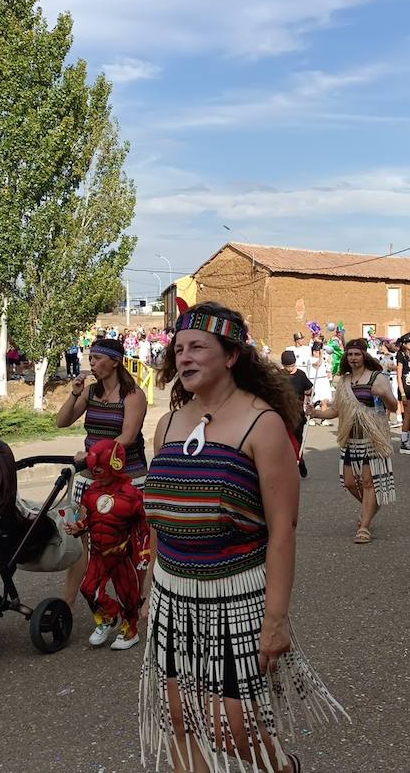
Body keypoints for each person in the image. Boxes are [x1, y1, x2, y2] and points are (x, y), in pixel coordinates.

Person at [140, 302, 345, 772]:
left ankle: (281, 768)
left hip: (235, 598)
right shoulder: (169, 424)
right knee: (179, 714)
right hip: (175, 594)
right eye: (179, 348)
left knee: (228, 725)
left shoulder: (263, 424)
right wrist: (154, 586)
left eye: (198, 347)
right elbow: (160, 518)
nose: (184, 357)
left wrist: (275, 619)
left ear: (231, 356)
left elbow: (283, 530)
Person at [54, 337, 149, 606]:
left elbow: (128, 436)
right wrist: (74, 393)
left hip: (127, 476)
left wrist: (94, 455)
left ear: (115, 362)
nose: (91, 363)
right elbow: (61, 422)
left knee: (127, 541)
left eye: (97, 358)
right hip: (90, 477)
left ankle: (132, 601)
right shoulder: (90, 392)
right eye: (90, 358)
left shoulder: (133, 395)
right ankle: (66, 605)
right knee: (79, 537)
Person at [307, 338, 398, 545]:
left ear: (364, 355)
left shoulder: (378, 378)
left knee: (368, 482)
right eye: (350, 355)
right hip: (351, 438)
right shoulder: (344, 382)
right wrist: (316, 414)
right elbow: (336, 411)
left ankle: (364, 527)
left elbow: (393, 407)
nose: (353, 358)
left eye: (357, 354)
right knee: (349, 482)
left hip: (372, 437)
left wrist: (383, 394)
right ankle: (371, 506)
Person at [64, 438, 146, 650]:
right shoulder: (91, 492)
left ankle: (130, 629)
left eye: (101, 468)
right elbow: (90, 519)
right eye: (94, 469)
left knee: (128, 595)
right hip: (99, 553)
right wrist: (78, 527)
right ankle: (108, 617)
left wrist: (144, 555)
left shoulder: (132, 495)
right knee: (89, 589)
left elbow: (144, 527)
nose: (97, 472)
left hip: (122, 554)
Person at [281, 350, 314, 478]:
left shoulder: (301, 375)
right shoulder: (280, 375)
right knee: (285, 441)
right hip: (283, 413)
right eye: (287, 366)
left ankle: (300, 460)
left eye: (292, 365)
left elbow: (309, 389)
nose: (289, 369)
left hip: (297, 414)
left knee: (297, 440)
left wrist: (310, 395)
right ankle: (290, 464)